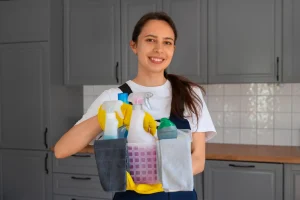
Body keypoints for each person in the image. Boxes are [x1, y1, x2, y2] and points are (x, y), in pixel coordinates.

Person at [54, 11, 216, 200]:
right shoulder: (113, 97)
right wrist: (107, 115)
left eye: (167, 42)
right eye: (150, 40)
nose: (159, 49)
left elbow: (198, 159)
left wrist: (154, 180)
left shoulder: (189, 94)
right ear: (134, 46)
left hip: (180, 195)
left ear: (173, 48)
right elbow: (61, 150)